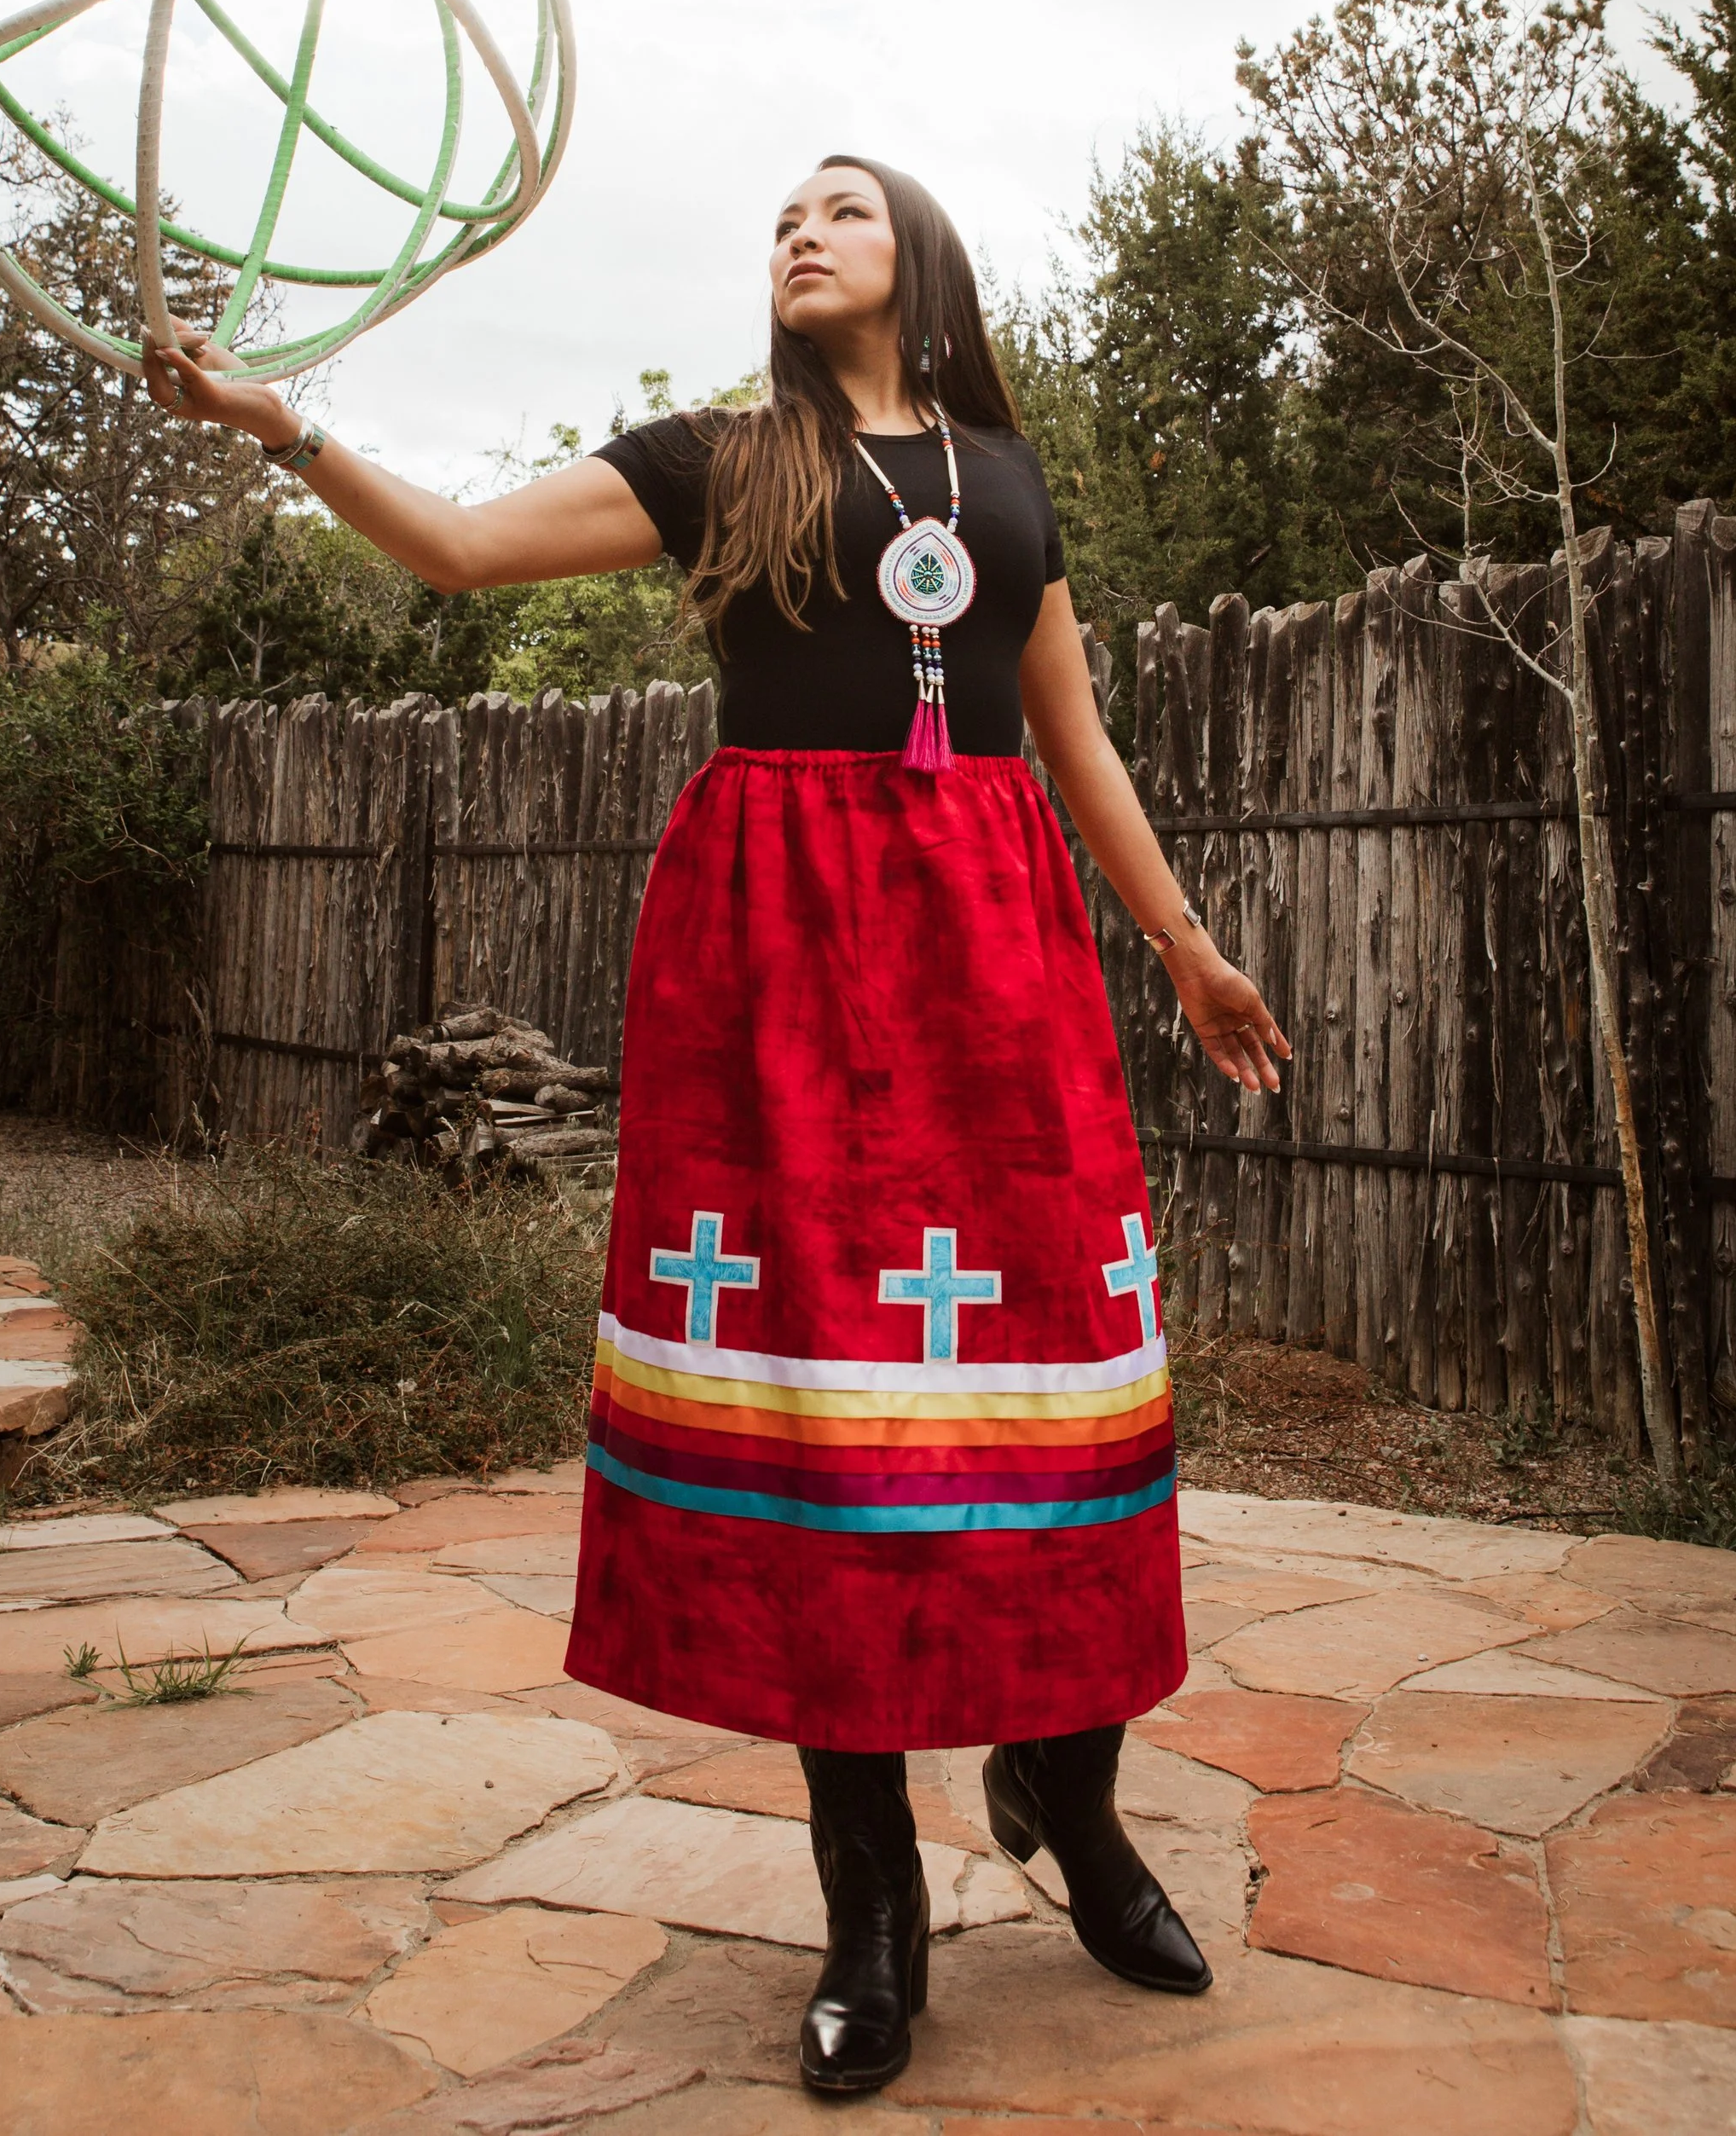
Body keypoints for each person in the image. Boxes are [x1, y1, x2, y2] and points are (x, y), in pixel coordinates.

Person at [143, 153, 1288, 2096]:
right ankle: (872, 1906)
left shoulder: (1005, 478)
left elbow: (1071, 732)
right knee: (830, 1424)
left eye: (846, 203)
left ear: (920, 259)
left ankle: (1064, 1794)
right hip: (782, 965)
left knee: (1070, 1384)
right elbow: (459, 549)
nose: (803, 223)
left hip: (996, 970)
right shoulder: (720, 461)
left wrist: (1179, 945)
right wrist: (291, 426)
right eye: (785, 210)